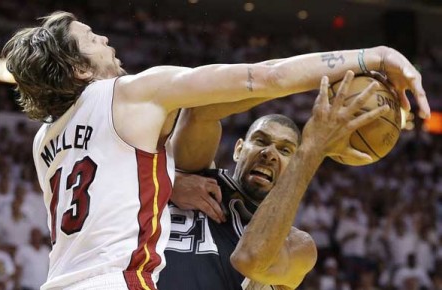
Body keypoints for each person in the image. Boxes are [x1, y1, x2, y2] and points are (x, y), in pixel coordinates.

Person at [1, 10, 430, 290]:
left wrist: (170, 183)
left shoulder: (46, 140)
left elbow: (106, 193)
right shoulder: (128, 93)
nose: (106, 40)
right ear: (79, 68)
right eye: (93, 39)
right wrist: (369, 57)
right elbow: (262, 78)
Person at [159, 71, 391, 289]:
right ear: (239, 149)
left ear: (297, 164)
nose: (269, 153)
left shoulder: (297, 244)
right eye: (260, 141)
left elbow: (250, 259)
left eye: (285, 150)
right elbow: (201, 110)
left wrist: (312, 150)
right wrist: (303, 78)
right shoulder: (195, 175)